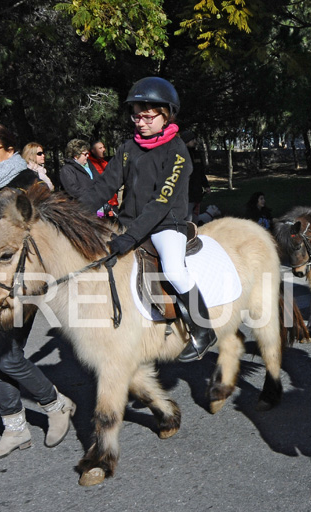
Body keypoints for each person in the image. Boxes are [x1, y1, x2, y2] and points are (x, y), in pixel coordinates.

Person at [0, 123, 75, 461]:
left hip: (18, 282)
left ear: (10, 151)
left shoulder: (27, 183)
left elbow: (49, 232)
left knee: (7, 356)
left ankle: (56, 404)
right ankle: (16, 429)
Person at [90, 76, 216, 361]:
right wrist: (73, 210)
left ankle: (203, 329)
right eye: (136, 117)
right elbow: (103, 186)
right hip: (126, 222)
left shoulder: (178, 152)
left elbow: (161, 202)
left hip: (165, 224)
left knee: (173, 270)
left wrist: (130, 237)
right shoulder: (126, 149)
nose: (140, 122)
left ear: (166, 115)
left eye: (147, 117)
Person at [59, 138, 102, 214]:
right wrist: (92, 194)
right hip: (80, 211)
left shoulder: (89, 165)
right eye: (85, 154)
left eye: (88, 153)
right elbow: (72, 190)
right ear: (76, 155)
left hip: (97, 207)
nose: (88, 156)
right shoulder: (67, 170)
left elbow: (99, 181)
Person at [181, 130, 211, 221]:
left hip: (197, 192)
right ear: (186, 141)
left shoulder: (197, 154)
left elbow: (201, 172)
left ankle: (194, 233)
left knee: (195, 218)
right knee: (187, 218)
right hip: (186, 193)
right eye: (192, 139)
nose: (195, 142)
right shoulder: (181, 155)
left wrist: (206, 185)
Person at [87, 139, 119, 217]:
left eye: (103, 147)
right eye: (100, 148)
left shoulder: (105, 163)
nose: (104, 150)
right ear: (93, 150)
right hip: (100, 204)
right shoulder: (88, 164)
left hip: (112, 202)